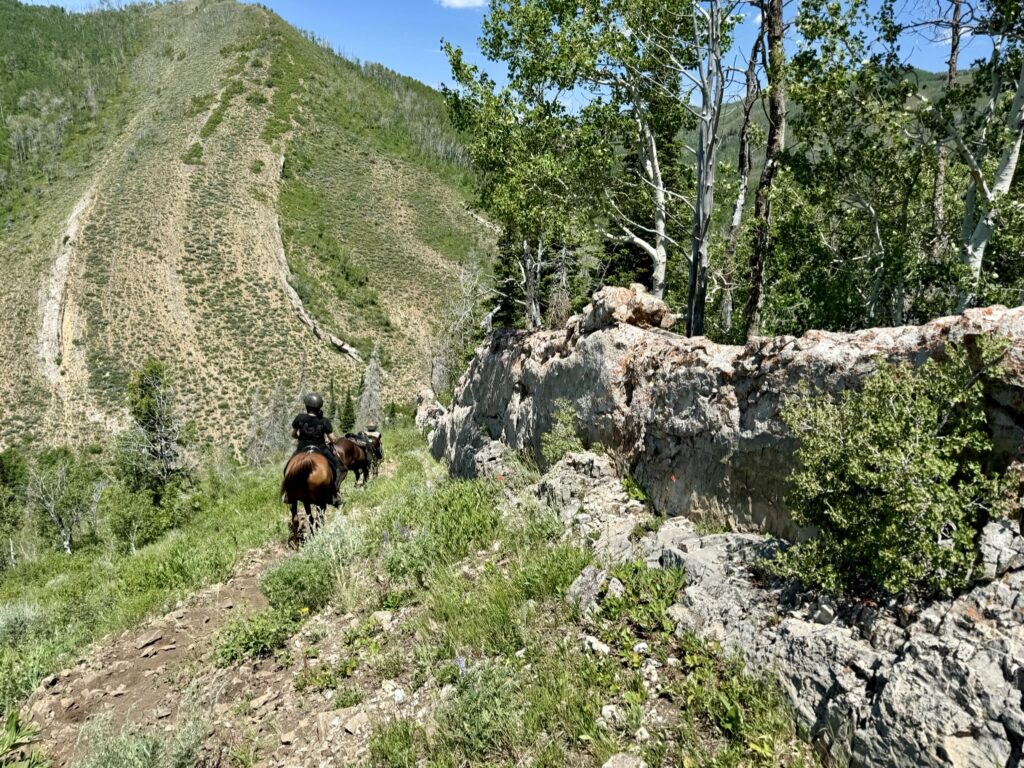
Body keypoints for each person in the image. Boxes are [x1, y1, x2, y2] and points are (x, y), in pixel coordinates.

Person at [291, 393, 342, 506]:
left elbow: (294, 434)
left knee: (289, 467)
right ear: (319, 407)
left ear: (306, 406)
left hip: (302, 448)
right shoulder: (324, 421)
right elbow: (332, 438)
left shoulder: (299, 418)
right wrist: (333, 440)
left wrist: (300, 436)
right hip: (321, 449)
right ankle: (334, 493)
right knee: (336, 466)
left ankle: (288, 492)